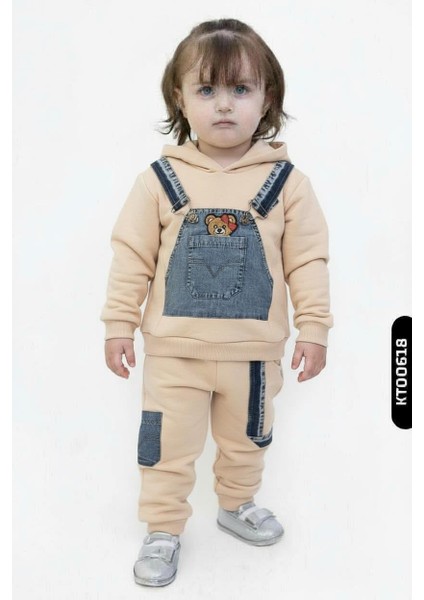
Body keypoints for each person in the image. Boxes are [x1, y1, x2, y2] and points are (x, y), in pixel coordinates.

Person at [101, 18, 333, 587]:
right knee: (165, 445)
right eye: (206, 89)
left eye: (240, 89)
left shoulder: (288, 184)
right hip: (173, 354)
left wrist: (314, 329)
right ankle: (163, 528)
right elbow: (132, 256)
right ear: (179, 99)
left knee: (248, 439)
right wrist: (118, 323)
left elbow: (308, 261)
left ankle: (236, 503)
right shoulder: (159, 180)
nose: (224, 104)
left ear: (267, 99)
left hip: (253, 355)